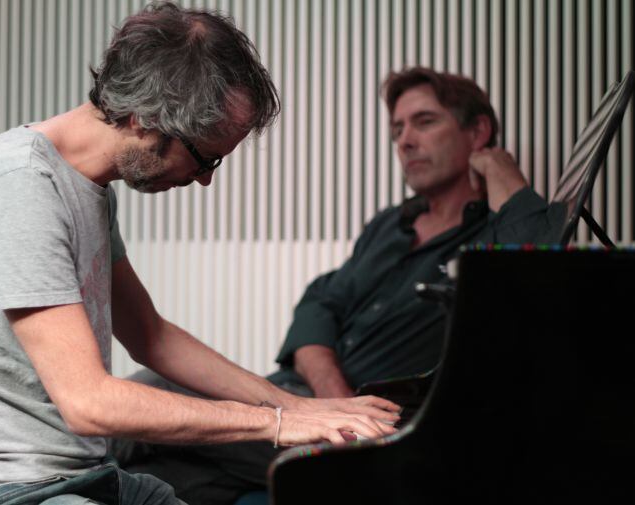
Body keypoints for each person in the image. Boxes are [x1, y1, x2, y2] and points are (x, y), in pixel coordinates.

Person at [0, 4, 401, 505]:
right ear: (145, 118)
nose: (206, 178)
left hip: (78, 475)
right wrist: (276, 424)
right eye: (205, 157)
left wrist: (296, 406)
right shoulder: (19, 184)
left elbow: (151, 336)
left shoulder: (86, 188)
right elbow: (88, 402)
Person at [115, 66, 565, 505]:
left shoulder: (501, 232)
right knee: (146, 477)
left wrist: (503, 173)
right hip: (310, 404)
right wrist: (333, 398)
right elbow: (320, 304)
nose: (406, 140)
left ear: (478, 131)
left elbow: (532, 286)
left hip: (388, 432)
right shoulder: (389, 227)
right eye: (397, 130)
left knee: (152, 392)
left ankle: (47, 478)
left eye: (424, 122)